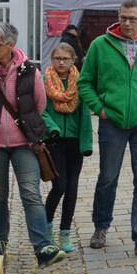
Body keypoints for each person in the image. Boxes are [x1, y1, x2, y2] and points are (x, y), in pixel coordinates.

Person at [79, 0, 137, 259]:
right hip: (112, 121)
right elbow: (85, 82)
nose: (127, 23)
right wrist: (101, 109)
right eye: (122, 17)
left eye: (132, 18)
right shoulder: (100, 45)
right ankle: (101, 226)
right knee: (108, 177)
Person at [0, 23, 65, 266]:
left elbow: (39, 105)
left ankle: (43, 247)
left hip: (24, 144)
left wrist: (24, 130)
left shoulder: (29, 72)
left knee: (31, 194)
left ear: (11, 46)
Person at [41, 43, 93, 253]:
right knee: (59, 186)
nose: (61, 62)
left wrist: (86, 144)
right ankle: (46, 226)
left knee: (72, 190)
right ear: (52, 60)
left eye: (65, 58)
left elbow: (85, 116)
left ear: (73, 60)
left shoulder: (79, 84)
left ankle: (65, 232)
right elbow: (41, 110)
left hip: (74, 143)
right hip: (55, 141)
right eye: (57, 58)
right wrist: (51, 129)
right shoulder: (45, 82)